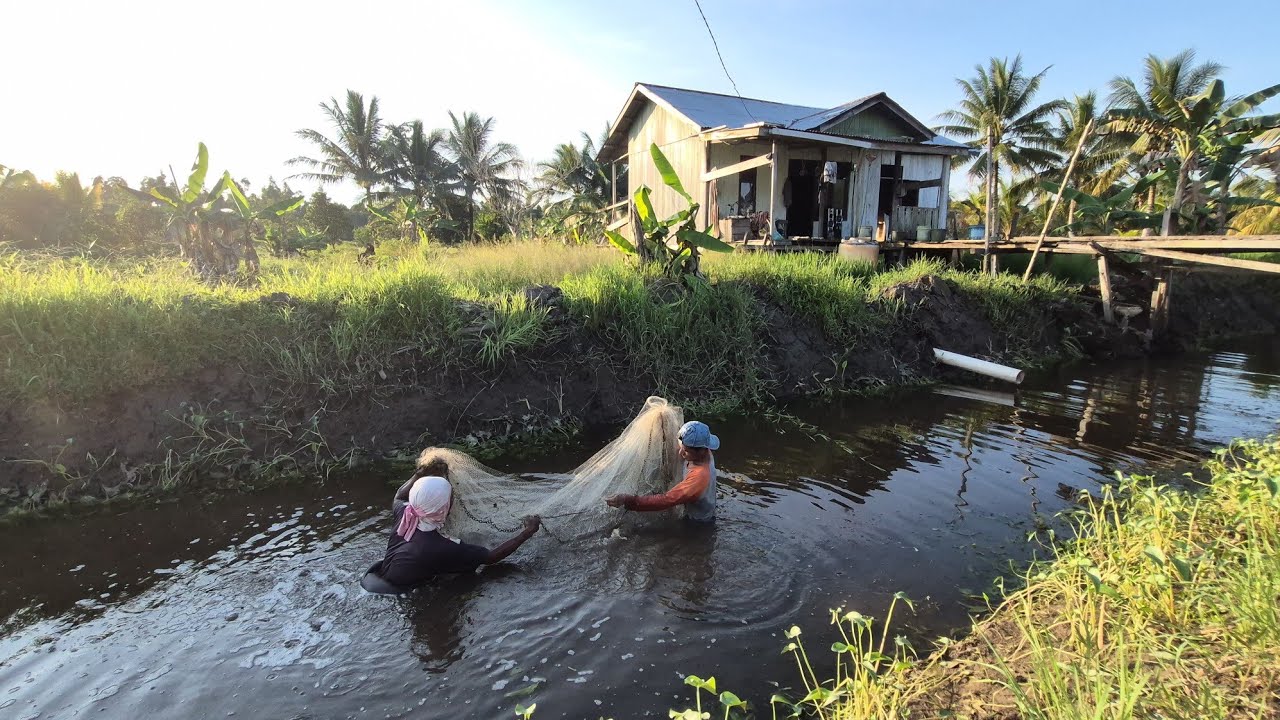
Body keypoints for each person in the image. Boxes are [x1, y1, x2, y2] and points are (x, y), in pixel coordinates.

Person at [370, 457, 541, 590]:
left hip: (378, 578)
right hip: (404, 591)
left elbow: (399, 496)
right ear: (444, 509)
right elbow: (491, 557)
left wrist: (420, 473)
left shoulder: (405, 513)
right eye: (450, 498)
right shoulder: (443, 547)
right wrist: (527, 532)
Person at [605, 420, 718, 522]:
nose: (680, 453)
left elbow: (665, 500)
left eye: (686, 452)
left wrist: (628, 500)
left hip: (697, 522)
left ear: (701, 451)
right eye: (682, 447)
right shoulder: (703, 449)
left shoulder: (698, 479)